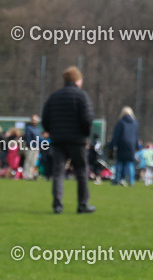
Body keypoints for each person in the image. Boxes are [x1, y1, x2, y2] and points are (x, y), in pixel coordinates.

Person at [41, 66, 95, 214]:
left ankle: (57, 205)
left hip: (58, 140)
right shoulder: (81, 96)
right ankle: (82, 204)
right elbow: (87, 118)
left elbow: (45, 119)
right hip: (77, 140)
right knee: (81, 172)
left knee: (58, 172)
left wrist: (52, 132)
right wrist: (85, 134)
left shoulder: (54, 96)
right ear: (78, 80)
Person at [107, 106, 138, 186]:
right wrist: (137, 146)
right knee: (129, 163)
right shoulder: (135, 123)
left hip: (122, 144)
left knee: (120, 162)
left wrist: (111, 145)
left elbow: (116, 135)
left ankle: (118, 179)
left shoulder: (120, 122)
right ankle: (131, 181)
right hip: (131, 145)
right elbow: (136, 136)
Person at [22, 115, 42, 180]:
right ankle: (26, 175)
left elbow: (39, 139)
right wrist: (31, 145)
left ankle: (30, 175)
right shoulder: (28, 128)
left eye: (36, 120)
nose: (34, 121)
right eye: (33, 120)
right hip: (30, 147)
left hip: (36, 148)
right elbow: (28, 138)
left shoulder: (37, 129)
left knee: (33, 162)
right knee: (28, 161)